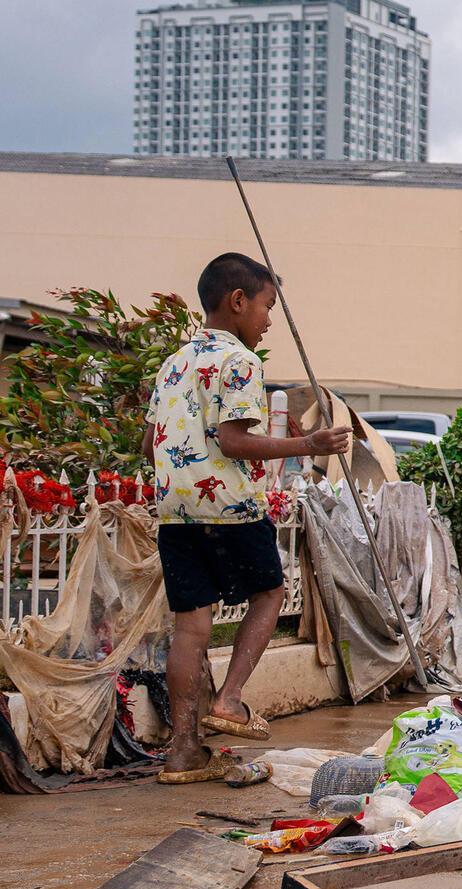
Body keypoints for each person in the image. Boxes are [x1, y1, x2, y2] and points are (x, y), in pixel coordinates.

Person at [146, 253, 350, 783]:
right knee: (270, 592)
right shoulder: (240, 361)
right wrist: (309, 443)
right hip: (231, 508)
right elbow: (234, 441)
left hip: (175, 510)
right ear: (238, 301)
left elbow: (150, 444)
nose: (268, 320)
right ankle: (230, 700)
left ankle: (183, 753)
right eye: (267, 306)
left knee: (191, 625)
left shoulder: (174, 363)